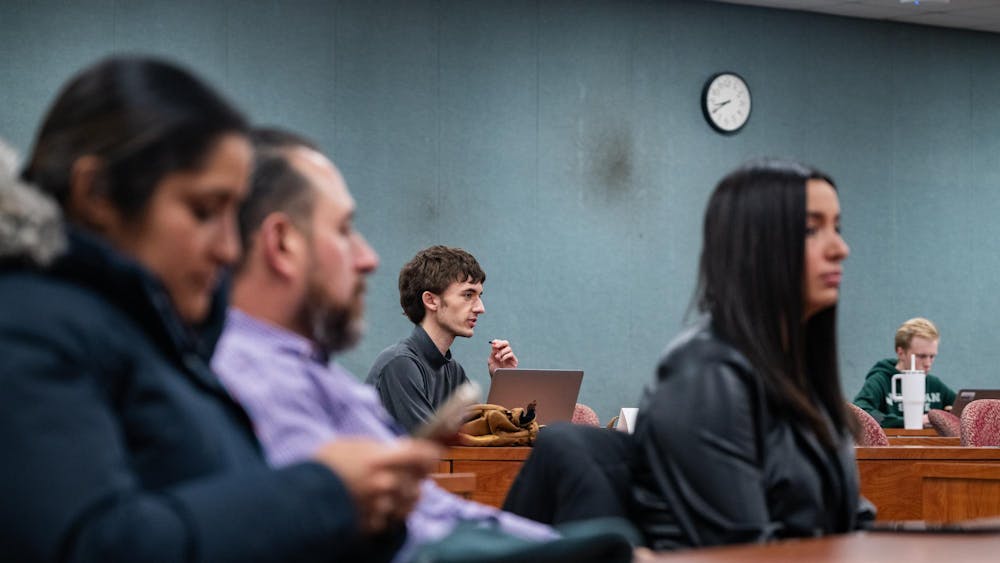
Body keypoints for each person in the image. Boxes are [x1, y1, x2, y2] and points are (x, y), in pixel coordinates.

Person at [0, 57, 439, 562]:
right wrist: (325, 492)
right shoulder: (28, 328)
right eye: (205, 211)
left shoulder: (152, 335)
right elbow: (94, 546)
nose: (230, 249)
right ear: (98, 194)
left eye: (234, 213)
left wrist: (366, 516)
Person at [211, 127, 557, 562]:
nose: (368, 258)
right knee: (571, 457)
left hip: (441, 532)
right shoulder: (388, 366)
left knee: (575, 461)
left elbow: (439, 504)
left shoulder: (331, 378)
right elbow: (434, 478)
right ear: (281, 243)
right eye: (344, 230)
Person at [629, 159, 870, 549]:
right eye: (811, 230)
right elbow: (744, 551)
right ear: (757, 246)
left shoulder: (796, 375)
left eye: (837, 228)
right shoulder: (706, 376)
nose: (840, 248)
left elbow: (850, 523)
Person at [365, 245, 518, 432]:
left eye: (479, 296)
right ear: (431, 300)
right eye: (468, 295)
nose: (480, 308)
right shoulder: (399, 364)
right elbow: (432, 451)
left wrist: (503, 381)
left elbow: (483, 439)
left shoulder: (453, 371)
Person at [853, 317, 956, 428]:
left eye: (932, 356)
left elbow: (960, 408)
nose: (928, 363)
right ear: (901, 352)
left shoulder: (934, 384)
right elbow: (859, 412)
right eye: (921, 356)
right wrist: (908, 422)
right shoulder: (880, 380)